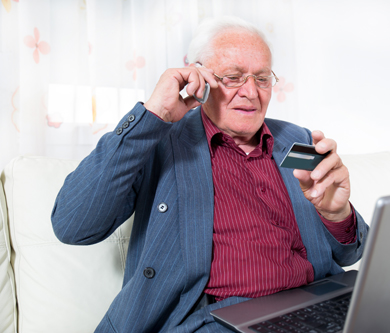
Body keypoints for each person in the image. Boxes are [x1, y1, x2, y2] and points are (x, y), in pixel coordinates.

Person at [50, 16, 360, 332]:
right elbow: (73, 225)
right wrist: (154, 114)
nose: (251, 92)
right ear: (200, 76)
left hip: (315, 303)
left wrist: (337, 215)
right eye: (233, 77)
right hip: (214, 322)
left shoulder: (297, 139)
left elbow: (349, 253)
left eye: (262, 78)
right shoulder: (158, 138)